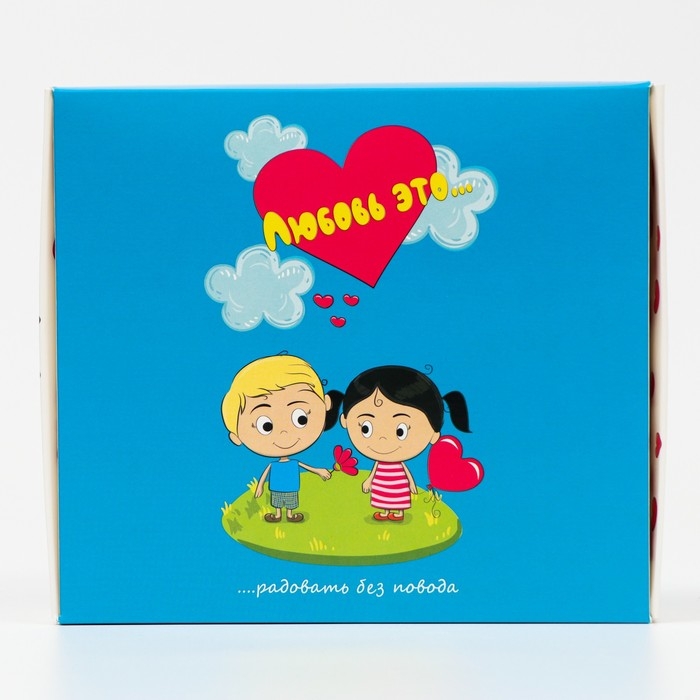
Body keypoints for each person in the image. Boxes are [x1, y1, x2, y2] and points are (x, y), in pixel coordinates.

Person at [339, 365, 470, 522]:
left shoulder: (399, 463)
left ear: (433, 434)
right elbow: (374, 471)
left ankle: (399, 512)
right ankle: (386, 511)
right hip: (381, 483)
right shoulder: (379, 462)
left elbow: (406, 473)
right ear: (345, 421)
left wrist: (411, 485)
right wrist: (368, 480)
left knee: (397, 495)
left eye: (400, 431)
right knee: (382, 495)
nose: (383, 439)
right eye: (366, 428)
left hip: (398, 483)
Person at [222, 354, 342, 523]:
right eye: (266, 426)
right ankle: (278, 515)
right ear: (236, 437)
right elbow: (266, 473)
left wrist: (318, 471)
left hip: (291, 487)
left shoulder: (292, 463)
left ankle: (290, 515)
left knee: (291, 502)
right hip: (277, 487)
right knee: (277, 502)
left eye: (301, 418)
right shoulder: (274, 465)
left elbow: (305, 466)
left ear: (326, 404)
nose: (284, 434)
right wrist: (260, 486)